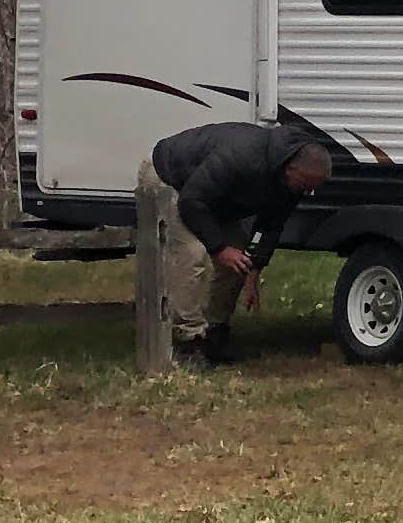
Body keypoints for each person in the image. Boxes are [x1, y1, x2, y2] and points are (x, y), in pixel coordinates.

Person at [138, 119, 333, 372]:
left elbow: (271, 225)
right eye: (306, 186)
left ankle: (215, 333)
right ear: (291, 169)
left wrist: (255, 269)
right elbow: (191, 202)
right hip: (170, 179)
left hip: (212, 197)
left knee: (238, 259)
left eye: (312, 189)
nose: (307, 193)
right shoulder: (242, 157)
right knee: (192, 253)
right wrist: (219, 248)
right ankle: (188, 341)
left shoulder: (291, 182)